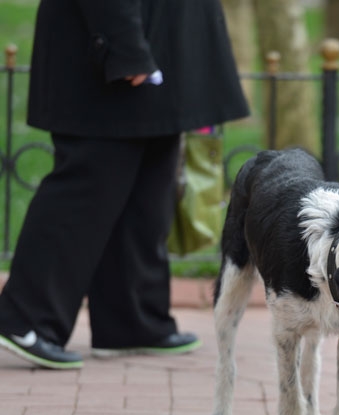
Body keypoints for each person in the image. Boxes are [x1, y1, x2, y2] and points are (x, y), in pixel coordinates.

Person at [0, 0, 249, 369]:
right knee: (88, 184)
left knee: (148, 190)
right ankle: (26, 317)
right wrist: (124, 45)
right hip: (112, 47)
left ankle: (131, 321)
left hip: (160, 46)